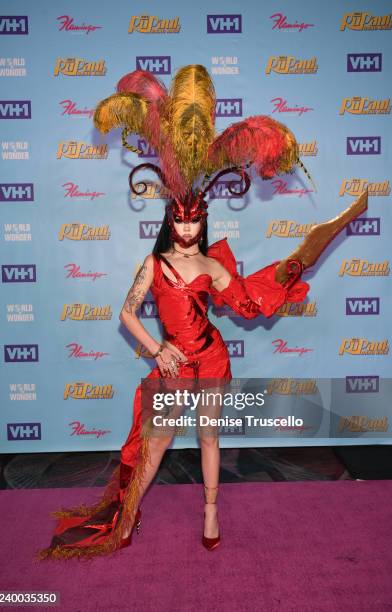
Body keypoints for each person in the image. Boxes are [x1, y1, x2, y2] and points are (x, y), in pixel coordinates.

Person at [36, 64, 367, 561]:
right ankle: (127, 516)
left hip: (211, 360)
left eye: (196, 223)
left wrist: (298, 263)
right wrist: (157, 348)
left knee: (209, 435)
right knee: (154, 444)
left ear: (203, 222)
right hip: (172, 365)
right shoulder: (154, 263)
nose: (188, 230)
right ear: (170, 220)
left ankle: (211, 511)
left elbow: (249, 302)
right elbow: (126, 314)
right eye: (181, 222)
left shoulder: (213, 264)